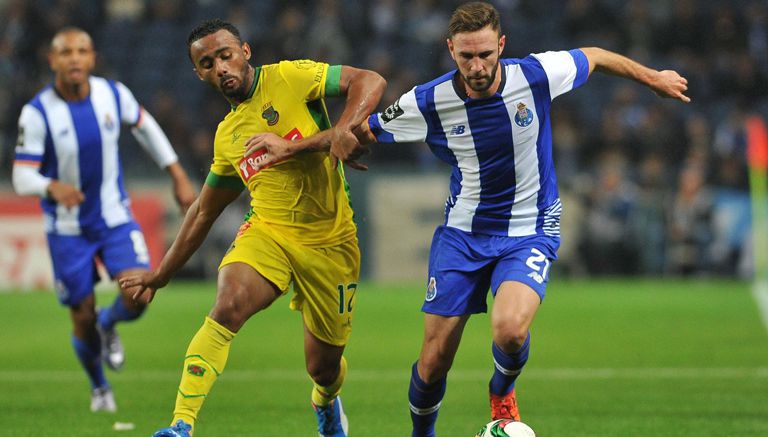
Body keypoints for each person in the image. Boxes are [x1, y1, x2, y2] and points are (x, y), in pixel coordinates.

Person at [249, 2, 690, 436]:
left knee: (510, 330)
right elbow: (361, 133)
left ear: (501, 44)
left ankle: (502, 398)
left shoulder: (535, 75)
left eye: (485, 54)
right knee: (435, 358)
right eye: (466, 56)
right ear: (450, 49)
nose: (477, 66)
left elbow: (595, 56)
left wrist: (653, 79)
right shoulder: (428, 101)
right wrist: (302, 146)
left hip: (529, 228)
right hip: (463, 236)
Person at [118, 19, 385, 437]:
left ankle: (326, 401)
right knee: (228, 303)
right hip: (269, 233)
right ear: (199, 74)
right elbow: (204, 211)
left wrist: (340, 132)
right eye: (207, 63)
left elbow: (369, 79)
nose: (220, 68)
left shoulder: (290, 76)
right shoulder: (227, 137)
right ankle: (180, 425)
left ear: (245, 51)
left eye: (225, 55)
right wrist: (160, 274)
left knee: (323, 366)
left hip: (331, 242)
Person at [11, 27, 196, 413]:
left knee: (140, 293)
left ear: (92, 58)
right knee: (81, 316)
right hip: (67, 229)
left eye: (82, 51)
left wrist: (177, 173)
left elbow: (145, 127)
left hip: (114, 218)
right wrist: (51, 187)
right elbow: (21, 175)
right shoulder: (38, 112)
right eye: (66, 52)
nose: (74, 59)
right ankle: (99, 388)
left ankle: (108, 323)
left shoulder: (113, 94)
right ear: (53, 60)